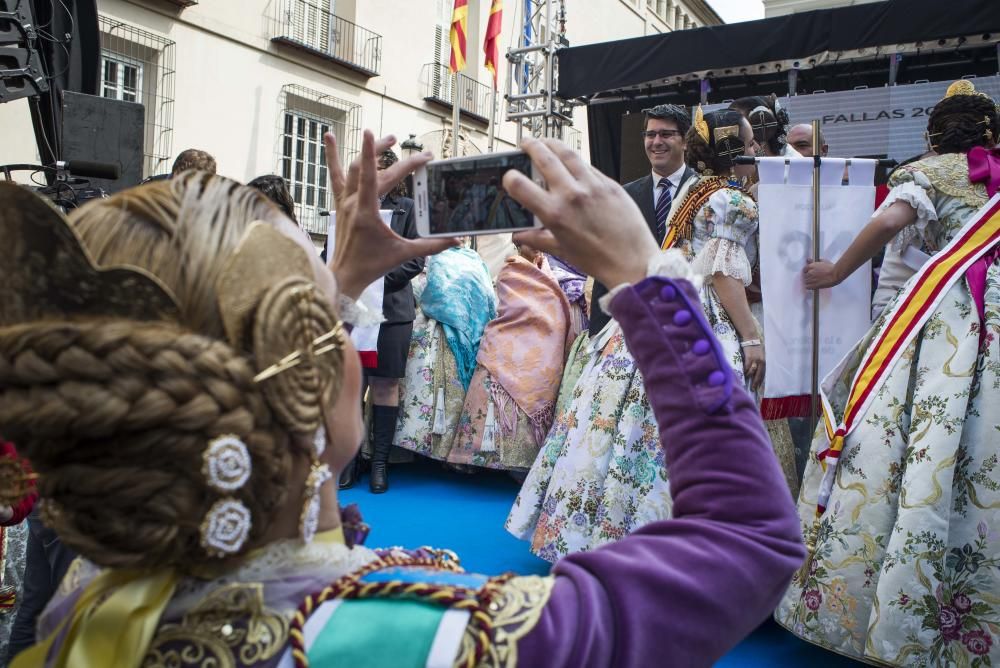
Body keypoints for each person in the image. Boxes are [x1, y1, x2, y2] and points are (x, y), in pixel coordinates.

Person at [0, 125, 804, 667]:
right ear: (324, 375)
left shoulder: (93, 598)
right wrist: (645, 275)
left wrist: (340, 275)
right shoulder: (432, 639)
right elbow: (752, 540)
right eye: (329, 313)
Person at [775, 81, 1000, 666]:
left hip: (949, 318)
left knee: (915, 438)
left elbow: (885, 225)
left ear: (934, 133)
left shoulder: (931, 174)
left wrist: (836, 271)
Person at [507, 108, 777, 561]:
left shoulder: (699, 193)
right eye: (748, 143)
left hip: (656, 307)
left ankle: (603, 530)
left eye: (666, 134)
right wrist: (751, 335)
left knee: (623, 429)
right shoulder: (729, 198)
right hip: (689, 308)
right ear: (731, 147)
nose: (753, 150)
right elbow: (723, 272)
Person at [339, 149, 425, 493]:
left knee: (386, 385)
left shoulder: (408, 209)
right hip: (353, 308)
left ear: (392, 172)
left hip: (392, 309)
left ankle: (379, 464)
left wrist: (375, 281)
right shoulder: (352, 205)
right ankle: (347, 460)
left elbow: (415, 259)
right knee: (351, 384)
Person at [446, 243, 573, 472]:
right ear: (518, 243)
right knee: (491, 394)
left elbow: (553, 305)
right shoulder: (511, 269)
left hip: (542, 348)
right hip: (508, 342)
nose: (535, 247)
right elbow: (516, 308)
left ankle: (520, 461)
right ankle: (479, 458)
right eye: (528, 242)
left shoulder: (547, 270)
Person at [589, 104, 698, 336]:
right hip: (633, 328)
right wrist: (597, 332)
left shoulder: (705, 192)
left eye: (666, 134)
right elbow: (607, 263)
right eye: (650, 134)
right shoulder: (623, 196)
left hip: (692, 321)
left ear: (686, 141)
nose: (656, 142)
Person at [392, 243, 496, 464]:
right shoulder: (430, 255)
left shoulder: (474, 259)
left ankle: (450, 452)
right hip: (432, 325)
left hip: (467, 333)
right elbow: (420, 291)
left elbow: (487, 296)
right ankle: (414, 447)